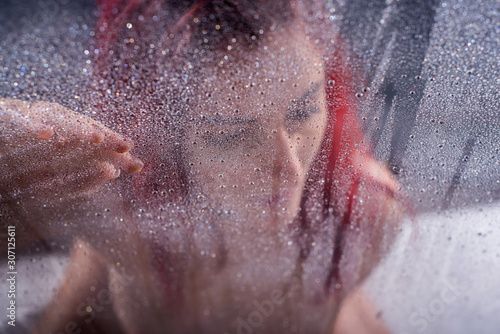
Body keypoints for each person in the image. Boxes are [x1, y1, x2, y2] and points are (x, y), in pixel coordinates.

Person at [0, 0, 403, 333]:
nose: (291, 169)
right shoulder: (130, 210)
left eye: (303, 110)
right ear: (167, 141)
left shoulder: (365, 215)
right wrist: (15, 139)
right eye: (230, 136)